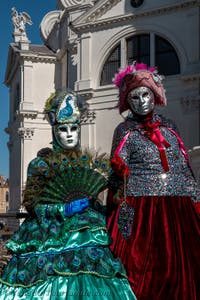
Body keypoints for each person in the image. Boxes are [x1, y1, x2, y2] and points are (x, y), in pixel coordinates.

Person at [0, 90, 136, 299]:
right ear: (55, 131)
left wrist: (115, 191)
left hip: (89, 233)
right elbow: (33, 206)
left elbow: (104, 204)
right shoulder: (39, 165)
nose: (70, 134)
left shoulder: (87, 165)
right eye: (64, 129)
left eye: (74, 128)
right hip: (49, 235)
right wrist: (63, 209)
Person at [107, 62, 200, 300]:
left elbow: (182, 163)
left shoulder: (170, 126)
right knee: (143, 269)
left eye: (146, 94)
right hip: (144, 209)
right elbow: (117, 175)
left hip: (178, 207)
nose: (141, 101)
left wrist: (195, 197)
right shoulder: (124, 130)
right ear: (127, 101)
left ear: (155, 94)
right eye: (135, 97)